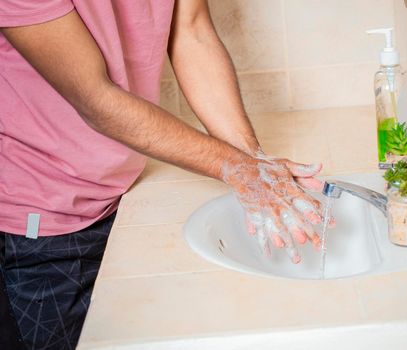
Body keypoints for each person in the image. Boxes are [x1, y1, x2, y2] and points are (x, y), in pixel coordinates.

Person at [0, 1, 329, 349]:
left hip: (120, 195)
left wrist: (254, 162)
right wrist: (238, 168)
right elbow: (94, 97)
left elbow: (192, 33)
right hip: (42, 219)